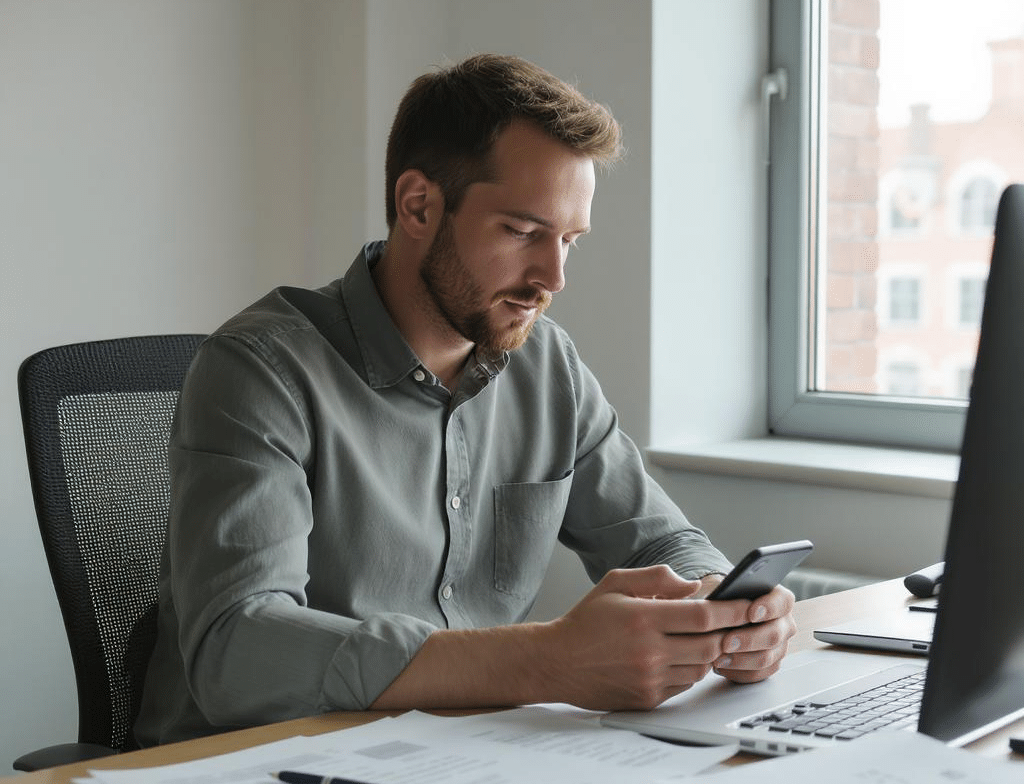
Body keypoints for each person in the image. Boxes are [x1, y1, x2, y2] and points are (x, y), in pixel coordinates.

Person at [135, 53, 795, 746]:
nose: (554, 277)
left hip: (461, 767)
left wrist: (726, 605)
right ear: (418, 204)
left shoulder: (548, 367)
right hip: (248, 774)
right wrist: (546, 662)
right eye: (522, 232)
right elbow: (236, 651)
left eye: (569, 240)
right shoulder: (261, 372)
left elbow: (661, 540)